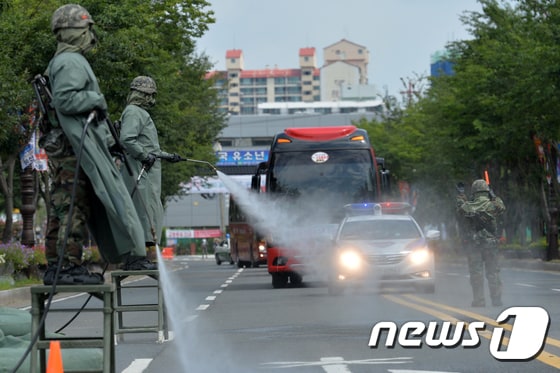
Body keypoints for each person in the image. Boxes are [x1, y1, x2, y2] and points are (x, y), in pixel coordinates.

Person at [43, 4, 153, 285]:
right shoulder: (70, 62)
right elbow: (66, 100)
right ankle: (67, 267)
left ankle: (59, 266)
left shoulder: (66, 61)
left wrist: (107, 139)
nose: (89, 35)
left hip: (75, 146)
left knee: (64, 205)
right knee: (72, 207)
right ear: (73, 31)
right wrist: (97, 100)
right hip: (76, 149)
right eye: (85, 29)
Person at [118, 76, 181, 256]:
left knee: (150, 210)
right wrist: (144, 156)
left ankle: (144, 252)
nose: (151, 100)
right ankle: (137, 255)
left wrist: (168, 156)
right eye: (148, 95)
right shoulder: (133, 112)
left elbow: (150, 147)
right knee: (143, 211)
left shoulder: (139, 113)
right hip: (140, 170)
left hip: (147, 171)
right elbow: (127, 139)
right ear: (139, 94)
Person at [456, 179, 506, 307]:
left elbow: (460, 209)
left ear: (474, 192)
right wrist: (493, 195)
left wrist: (461, 195)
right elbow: (501, 207)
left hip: (474, 245)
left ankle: (479, 300)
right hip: (491, 245)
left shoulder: (468, 205)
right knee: (493, 272)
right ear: (486, 191)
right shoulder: (492, 205)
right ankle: (496, 299)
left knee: (476, 273)